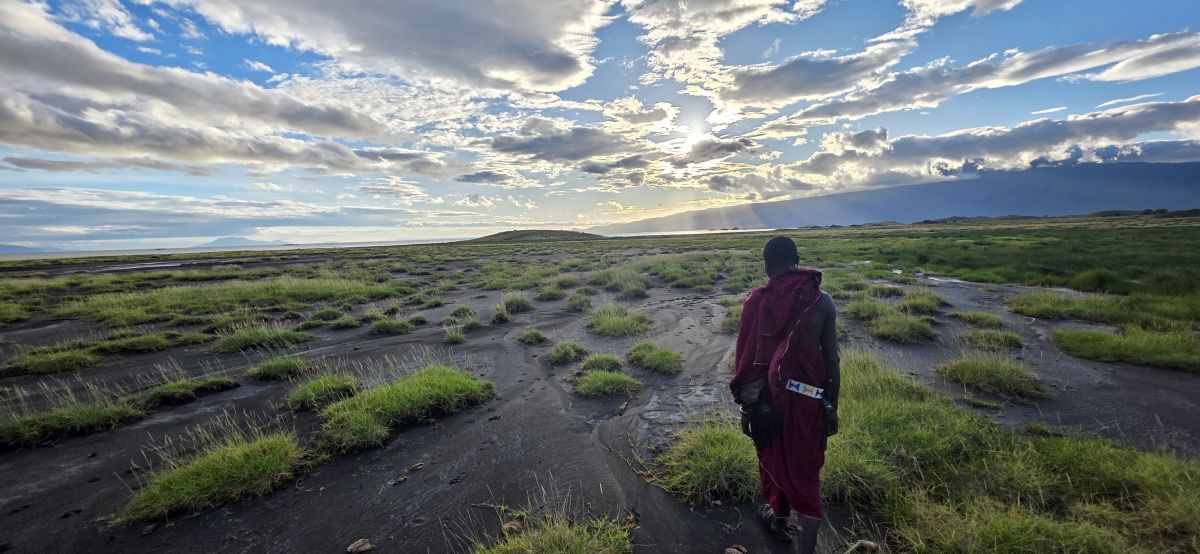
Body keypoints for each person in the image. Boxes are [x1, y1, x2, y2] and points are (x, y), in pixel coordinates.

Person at [730, 236, 840, 554]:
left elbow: (749, 362)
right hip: (810, 401)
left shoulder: (757, 301)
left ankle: (779, 519)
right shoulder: (823, 302)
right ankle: (792, 532)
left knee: (770, 459)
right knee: (806, 472)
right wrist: (831, 407)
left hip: (767, 402)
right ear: (798, 260)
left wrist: (746, 410)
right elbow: (833, 362)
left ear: (767, 264)